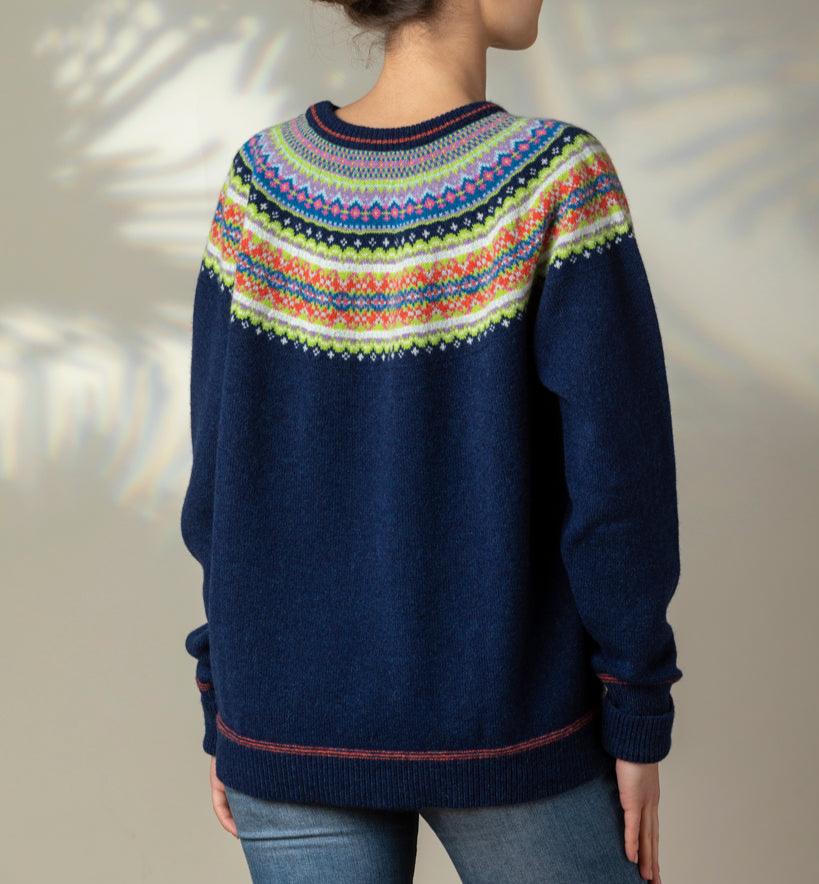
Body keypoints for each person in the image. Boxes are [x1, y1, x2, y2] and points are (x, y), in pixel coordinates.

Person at [179, 1, 684, 881]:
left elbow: (218, 483)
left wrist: (229, 700)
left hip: (284, 715)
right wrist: (637, 713)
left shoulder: (260, 183)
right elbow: (617, 491)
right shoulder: (557, 178)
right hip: (506, 720)